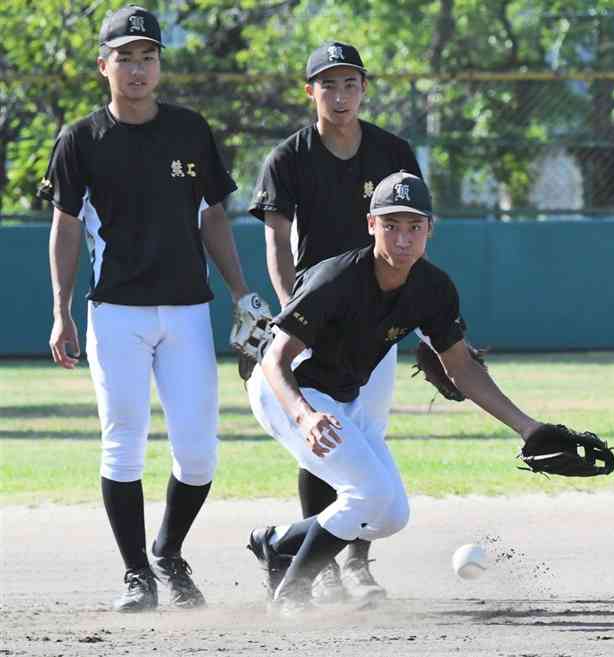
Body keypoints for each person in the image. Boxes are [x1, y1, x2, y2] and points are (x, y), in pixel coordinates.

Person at [38, 5, 256, 612]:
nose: (137, 68)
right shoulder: (80, 138)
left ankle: (167, 549)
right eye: (125, 57)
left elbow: (213, 214)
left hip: (187, 310)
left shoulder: (190, 130)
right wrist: (62, 309)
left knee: (198, 453)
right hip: (117, 312)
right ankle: (137, 574)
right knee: (123, 442)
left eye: (148, 56)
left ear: (160, 64)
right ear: (104, 65)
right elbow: (64, 226)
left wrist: (241, 293)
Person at [246, 171, 543, 616]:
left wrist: (529, 427)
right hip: (288, 393)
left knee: (389, 516)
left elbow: (460, 367)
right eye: (391, 225)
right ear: (371, 226)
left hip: (340, 398)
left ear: (430, 228)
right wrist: (305, 416)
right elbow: (274, 359)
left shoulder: (434, 288)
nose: (402, 238)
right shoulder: (335, 279)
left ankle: (276, 542)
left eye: (413, 226)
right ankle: (292, 590)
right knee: (365, 494)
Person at [248, 41, 423, 604]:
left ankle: (355, 562)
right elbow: (276, 238)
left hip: (376, 323)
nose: (341, 94)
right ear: (310, 92)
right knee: (320, 436)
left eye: (350, 83)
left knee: (366, 436)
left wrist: (424, 330)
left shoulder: (393, 151)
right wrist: (287, 311)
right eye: (329, 84)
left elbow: (411, 231)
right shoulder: (290, 157)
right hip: (315, 319)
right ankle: (317, 565)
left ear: (364, 89)